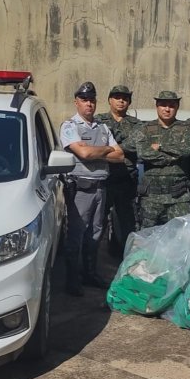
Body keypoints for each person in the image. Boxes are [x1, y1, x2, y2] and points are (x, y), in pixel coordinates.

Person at [60, 82, 124, 296]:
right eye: (84, 100)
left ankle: (89, 274)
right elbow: (84, 154)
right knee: (76, 234)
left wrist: (96, 150)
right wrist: (106, 150)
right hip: (81, 189)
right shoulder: (70, 126)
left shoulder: (103, 128)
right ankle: (71, 279)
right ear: (76, 102)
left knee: (95, 233)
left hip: (100, 188)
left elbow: (120, 155)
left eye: (92, 100)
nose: (89, 104)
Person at [123, 91, 190, 228]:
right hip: (151, 198)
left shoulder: (186, 128)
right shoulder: (144, 129)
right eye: (163, 105)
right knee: (148, 236)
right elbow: (142, 152)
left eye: (171, 105)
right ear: (157, 106)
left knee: (180, 236)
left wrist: (160, 147)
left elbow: (186, 150)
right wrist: (172, 156)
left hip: (178, 198)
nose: (167, 109)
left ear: (177, 107)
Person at [95, 85, 141, 251]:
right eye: (117, 97)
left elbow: (136, 145)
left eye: (125, 98)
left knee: (128, 222)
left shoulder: (136, 124)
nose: (121, 101)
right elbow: (93, 144)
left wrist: (107, 149)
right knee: (97, 221)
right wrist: (115, 150)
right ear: (110, 100)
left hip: (126, 180)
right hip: (103, 179)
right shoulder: (98, 121)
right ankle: (93, 258)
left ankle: (126, 257)